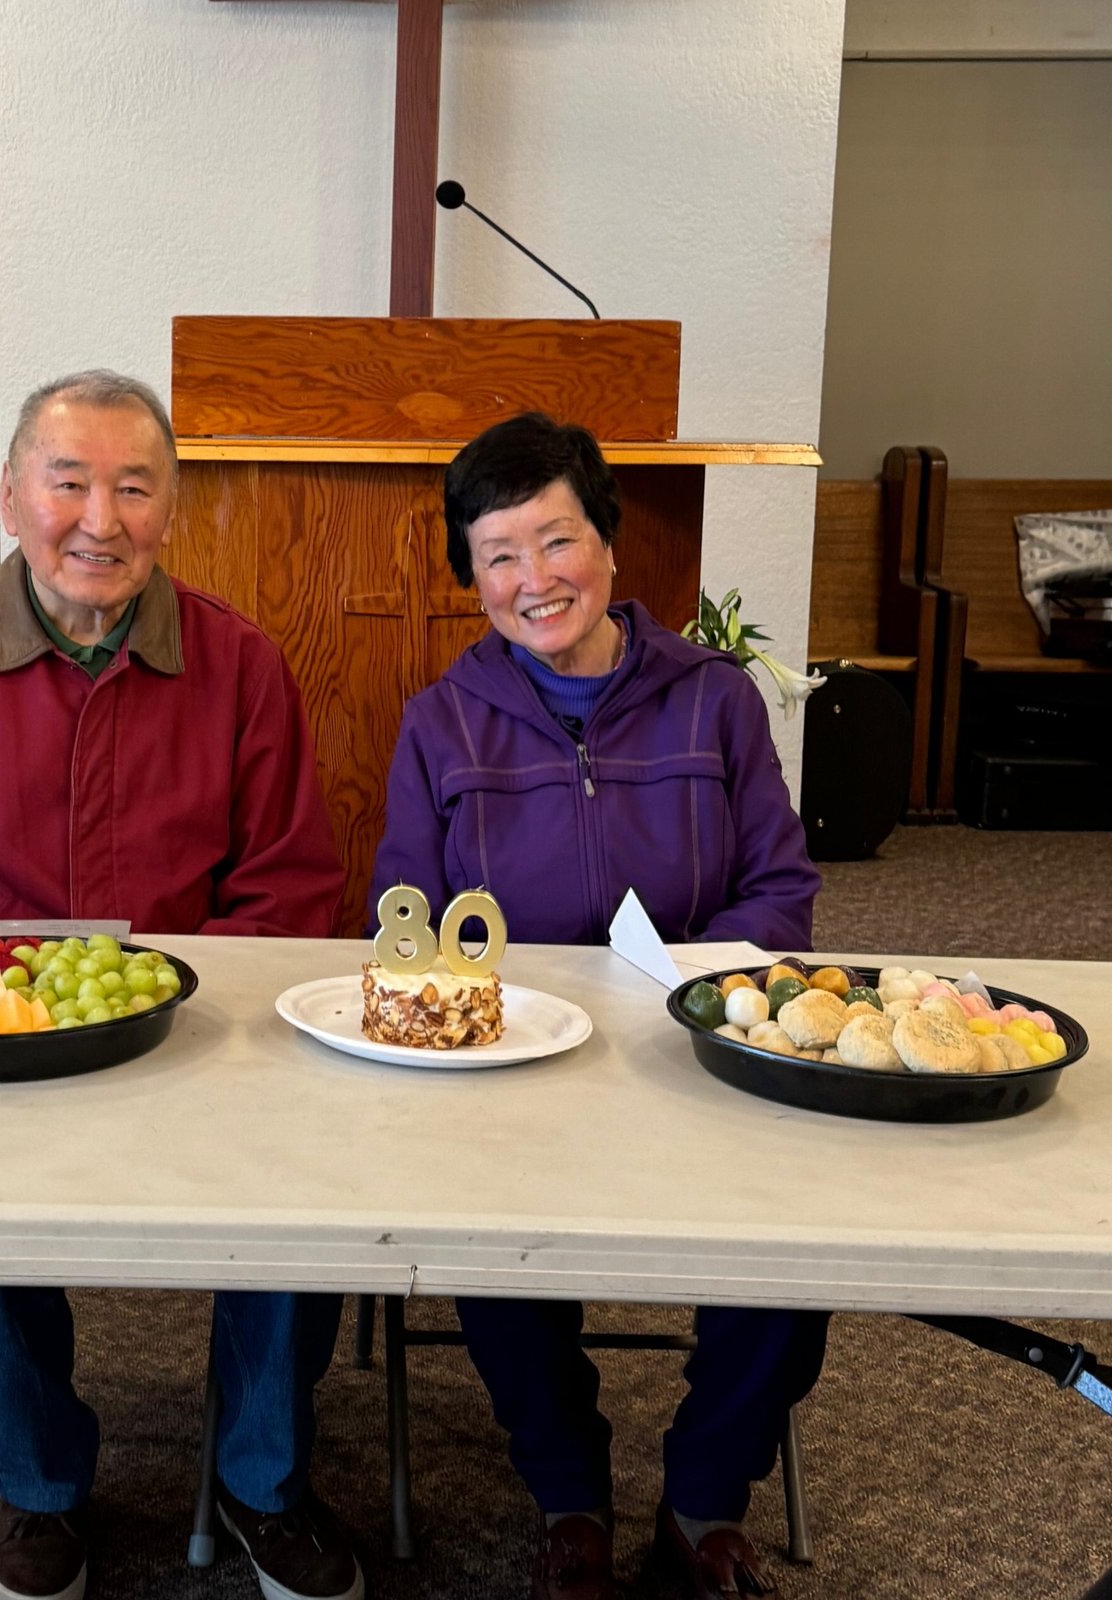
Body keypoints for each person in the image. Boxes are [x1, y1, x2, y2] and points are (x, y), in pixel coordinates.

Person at [0, 371, 362, 1600]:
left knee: (313, 1171)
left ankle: (263, 1476)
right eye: (68, 483)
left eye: (134, 487)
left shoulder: (241, 662)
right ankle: (39, 1475)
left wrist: (184, 1014)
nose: (100, 521)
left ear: (173, 507)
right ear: (12, 496)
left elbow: (289, 888)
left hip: (196, 1032)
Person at [369, 412, 829, 1600]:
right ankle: (568, 1491)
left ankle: (702, 1501)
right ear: (472, 577)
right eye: (498, 555)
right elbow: (404, 915)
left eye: (556, 539)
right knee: (482, 1228)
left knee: (804, 1236)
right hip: (514, 1067)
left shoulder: (713, 699)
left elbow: (780, 889)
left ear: (611, 547)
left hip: (696, 1047)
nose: (534, 578)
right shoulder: (439, 720)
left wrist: (696, 991)